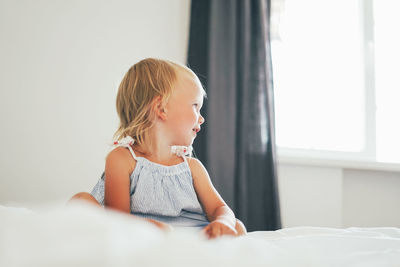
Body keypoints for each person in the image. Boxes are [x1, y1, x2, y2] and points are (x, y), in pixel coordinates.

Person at [70, 58, 246, 239]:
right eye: (195, 106)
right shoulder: (121, 159)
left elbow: (220, 208)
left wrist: (222, 222)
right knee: (81, 201)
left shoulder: (192, 168)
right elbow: (119, 220)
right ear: (161, 108)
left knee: (237, 226)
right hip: (140, 233)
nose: (201, 118)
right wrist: (152, 229)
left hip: (192, 234)